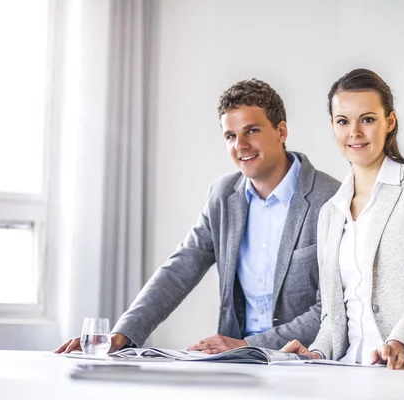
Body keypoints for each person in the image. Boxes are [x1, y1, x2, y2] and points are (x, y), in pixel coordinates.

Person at [55, 79, 340, 355]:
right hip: (237, 366)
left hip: (303, 362)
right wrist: (124, 333)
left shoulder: (330, 198)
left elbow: (330, 309)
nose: (240, 145)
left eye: (251, 131)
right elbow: (180, 269)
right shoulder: (223, 195)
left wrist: (251, 345)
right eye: (230, 135)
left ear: (281, 131)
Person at [282, 69, 404, 370]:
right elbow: (333, 319)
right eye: (343, 121)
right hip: (347, 372)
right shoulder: (330, 213)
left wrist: (401, 342)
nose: (355, 132)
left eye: (368, 119)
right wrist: (316, 354)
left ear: (390, 122)